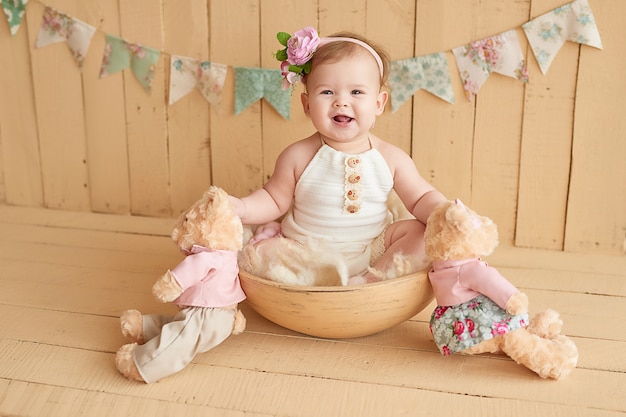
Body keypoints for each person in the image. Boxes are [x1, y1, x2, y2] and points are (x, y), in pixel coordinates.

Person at [229, 27, 446, 284]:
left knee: (420, 232)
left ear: (378, 103)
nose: (341, 102)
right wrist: (240, 208)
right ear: (307, 105)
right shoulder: (297, 156)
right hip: (304, 251)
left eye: (356, 92)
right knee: (262, 251)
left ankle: (370, 281)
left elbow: (420, 197)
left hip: (373, 249)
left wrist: (445, 213)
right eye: (327, 92)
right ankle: (313, 280)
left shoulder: (391, 158)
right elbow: (273, 200)